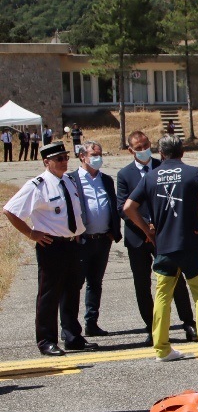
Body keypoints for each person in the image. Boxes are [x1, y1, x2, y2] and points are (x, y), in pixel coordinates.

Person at [124, 136, 198, 362]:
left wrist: (147, 231)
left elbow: (129, 206)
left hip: (164, 247)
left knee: (162, 297)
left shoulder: (150, 176)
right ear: (183, 151)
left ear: (161, 153)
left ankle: (162, 348)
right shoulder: (193, 172)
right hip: (191, 245)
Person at [2, 141, 91, 356]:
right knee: (49, 295)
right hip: (52, 246)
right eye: (59, 159)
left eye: (66, 157)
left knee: (72, 291)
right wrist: (31, 233)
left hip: (72, 245)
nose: (64, 162)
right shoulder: (38, 185)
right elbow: (10, 210)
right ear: (46, 162)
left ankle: (72, 336)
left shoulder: (69, 181)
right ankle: (46, 340)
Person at [116, 131, 198, 345]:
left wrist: (156, 227)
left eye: (146, 145)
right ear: (130, 150)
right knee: (142, 284)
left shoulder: (162, 167)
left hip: (164, 235)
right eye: (138, 146)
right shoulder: (124, 175)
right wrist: (145, 227)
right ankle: (153, 327)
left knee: (175, 280)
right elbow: (123, 208)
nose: (143, 149)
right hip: (138, 238)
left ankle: (188, 323)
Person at [62, 141, 122, 339]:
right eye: (94, 154)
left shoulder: (106, 180)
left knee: (95, 283)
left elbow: (113, 206)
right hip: (80, 241)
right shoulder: (70, 179)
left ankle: (92, 323)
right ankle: (69, 328)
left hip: (102, 240)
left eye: (100, 153)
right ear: (82, 156)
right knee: (73, 284)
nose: (98, 157)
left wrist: (114, 231)